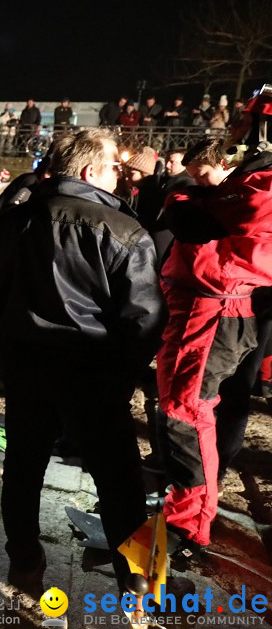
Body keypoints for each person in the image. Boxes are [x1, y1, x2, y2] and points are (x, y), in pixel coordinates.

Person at [0, 128, 166, 593]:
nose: (118, 178)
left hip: (24, 367)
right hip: (92, 371)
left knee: (23, 469)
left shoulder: (9, 222)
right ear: (88, 172)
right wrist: (124, 376)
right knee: (120, 483)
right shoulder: (124, 231)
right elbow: (144, 321)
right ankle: (139, 581)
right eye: (111, 170)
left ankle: (24, 562)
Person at [156, 135, 272, 566]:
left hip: (214, 310)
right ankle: (186, 509)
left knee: (186, 414)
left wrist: (188, 197)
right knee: (180, 410)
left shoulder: (259, 185)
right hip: (201, 307)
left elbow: (208, 218)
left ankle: (188, 522)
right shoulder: (248, 179)